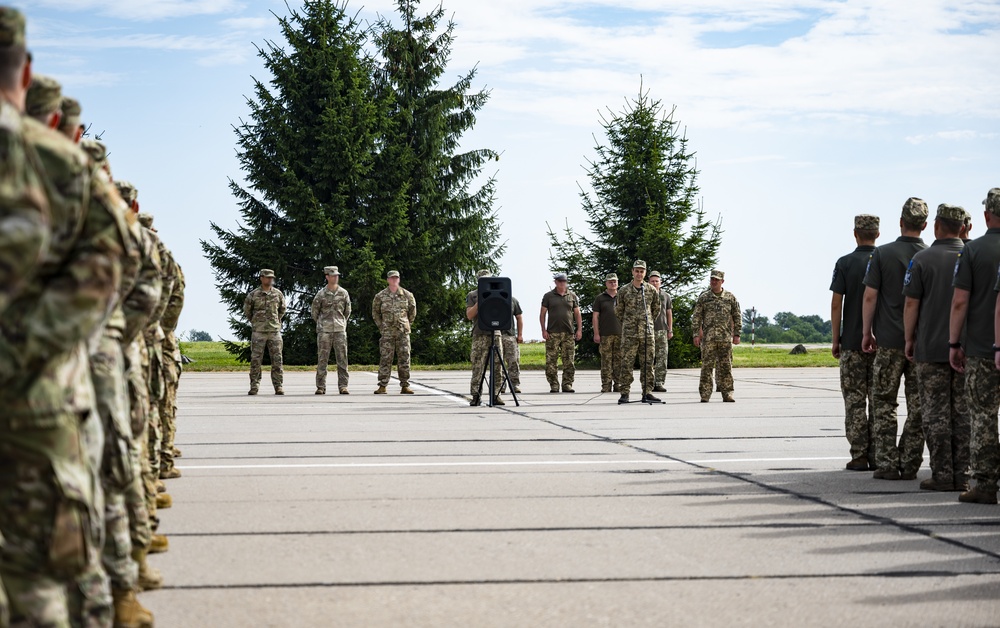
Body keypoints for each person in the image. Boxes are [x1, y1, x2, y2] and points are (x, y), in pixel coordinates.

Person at [3, 62, 130, 625]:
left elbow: (135, 276)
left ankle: (114, 589)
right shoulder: (59, 167)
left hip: (45, 383)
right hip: (43, 382)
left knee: (54, 548)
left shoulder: (60, 169)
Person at [903, 204, 969, 492]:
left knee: (934, 414)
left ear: (936, 226)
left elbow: (911, 304)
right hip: (968, 348)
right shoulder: (971, 255)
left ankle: (942, 473)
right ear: (963, 227)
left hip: (930, 348)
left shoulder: (921, 259)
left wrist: (909, 339)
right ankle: (963, 474)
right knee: (963, 413)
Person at [861, 198, 928, 481]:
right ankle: (910, 461)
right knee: (919, 405)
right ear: (924, 225)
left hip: (888, 342)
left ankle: (887, 463)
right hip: (921, 344)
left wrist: (867, 331)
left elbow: (870, 296)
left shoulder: (882, 254)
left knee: (884, 402)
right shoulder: (929, 255)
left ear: (900, 222)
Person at [951, 187, 1000, 504]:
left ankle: (983, 484)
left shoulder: (972, 251)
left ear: (986, 215)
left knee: (982, 418)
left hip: (982, 349)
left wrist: (954, 342)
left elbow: (959, 302)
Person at [831, 215, 879, 470]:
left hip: (851, 342)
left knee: (855, 400)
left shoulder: (845, 263)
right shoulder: (886, 260)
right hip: (882, 342)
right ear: (878, 234)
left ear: (855, 233)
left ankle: (859, 455)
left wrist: (835, 338)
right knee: (880, 400)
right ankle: (880, 454)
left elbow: (837, 302)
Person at [692, 270, 741, 403]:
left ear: (722, 282)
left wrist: (737, 334)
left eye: (716, 280)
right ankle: (705, 394)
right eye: (712, 279)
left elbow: (737, 316)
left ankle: (728, 393)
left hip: (725, 338)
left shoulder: (730, 297)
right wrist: (696, 334)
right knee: (706, 367)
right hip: (708, 339)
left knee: (726, 367)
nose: (714, 282)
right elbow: (697, 316)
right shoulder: (704, 297)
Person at [616, 261, 660, 404]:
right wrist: (628, 323)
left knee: (648, 364)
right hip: (629, 334)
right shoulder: (624, 290)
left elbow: (656, 309)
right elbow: (618, 311)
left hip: (647, 333)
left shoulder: (651, 290)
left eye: (642, 271)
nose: (639, 274)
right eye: (637, 271)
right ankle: (624, 393)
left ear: (645, 273)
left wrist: (647, 323)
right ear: (632, 271)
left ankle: (647, 392)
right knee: (626, 364)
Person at [372, 270, 416, 394]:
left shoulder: (407, 295)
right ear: (387, 280)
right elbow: (375, 313)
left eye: (396, 278)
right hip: (387, 332)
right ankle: (382, 385)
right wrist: (381, 326)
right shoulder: (380, 296)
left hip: (402, 332)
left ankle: (405, 385)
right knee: (385, 358)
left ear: (399, 279)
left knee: (404, 358)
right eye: (391, 278)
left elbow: (412, 312)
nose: (394, 280)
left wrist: (407, 324)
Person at [244, 268, 286, 395]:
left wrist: (276, 321)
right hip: (259, 331)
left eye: (271, 278)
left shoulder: (278, 294)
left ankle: (278, 386)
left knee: (277, 359)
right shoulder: (253, 295)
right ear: (261, 278)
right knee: (256, 360)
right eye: (267, 277)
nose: (270, 279)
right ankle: (254, 386)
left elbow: (282, 310)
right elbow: (247, 311)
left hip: (274, 331)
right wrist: (256, 322)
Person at [466, 270, 505, 406]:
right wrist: (480, 300)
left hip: (495, 333)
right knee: (478, 366)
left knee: (497, 367)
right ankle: (476, 395)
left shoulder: (498, 293)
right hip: (479, 334)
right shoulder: (473, 295)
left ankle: (496, 395)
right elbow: (469, 315)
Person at [311, 265, 351, 395]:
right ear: (327, 277)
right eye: (333, 275)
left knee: (342, 359)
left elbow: (347, 312)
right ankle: (321, 387)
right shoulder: (321, 294)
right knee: (322, 359)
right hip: (325, 331)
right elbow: (314, 312)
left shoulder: (343, 293)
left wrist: (341, 323)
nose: (335, 277)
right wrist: (323, 324)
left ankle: (343, 386)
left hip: (339, 330)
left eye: (337, 275)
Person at [540, 272, 582, 393]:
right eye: (559, 281)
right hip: (552, 333)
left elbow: (577, 314)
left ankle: (567, 384)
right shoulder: (548, 296)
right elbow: (542, 314)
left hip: (568, 333)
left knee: (569, 360)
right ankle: (553, 384)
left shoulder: (572, 296)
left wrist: (579, 330)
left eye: (564, 281)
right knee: (551, 361)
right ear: (555, 282)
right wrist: (543, 330)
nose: (562, 283)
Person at [593, 273, 622, 393]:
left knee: (619, 361)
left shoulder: (622, 296)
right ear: (606, 283)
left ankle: (618, 384)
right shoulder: (600, 298)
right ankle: (606, 385)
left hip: (620, 334)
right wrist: (596, 333)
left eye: (615, 281)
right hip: (605, 335)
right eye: (610, 282)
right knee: (606, 361)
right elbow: (595, 317)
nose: (613, 284)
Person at [649, 270, 673, 393]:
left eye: (656, 281)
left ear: (660, 282)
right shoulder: (645, 295)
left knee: (662, 358)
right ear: (648, 282)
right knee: (648, 358)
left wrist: (670, 329)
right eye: (652, 281)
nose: (654, 283)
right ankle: (648, 383)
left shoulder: (666, 296)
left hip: (662, 330)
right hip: (648, 331)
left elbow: (669, 313)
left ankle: (659, 382)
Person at [499, 292, 523, 395]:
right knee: (498, 363)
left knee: (513, 361)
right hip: (496, 334)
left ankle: (514, 384)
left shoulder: (513, 300)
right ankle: (500, 385)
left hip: (510, 335)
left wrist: (520, 334)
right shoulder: (491, 301)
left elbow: (519, 317)